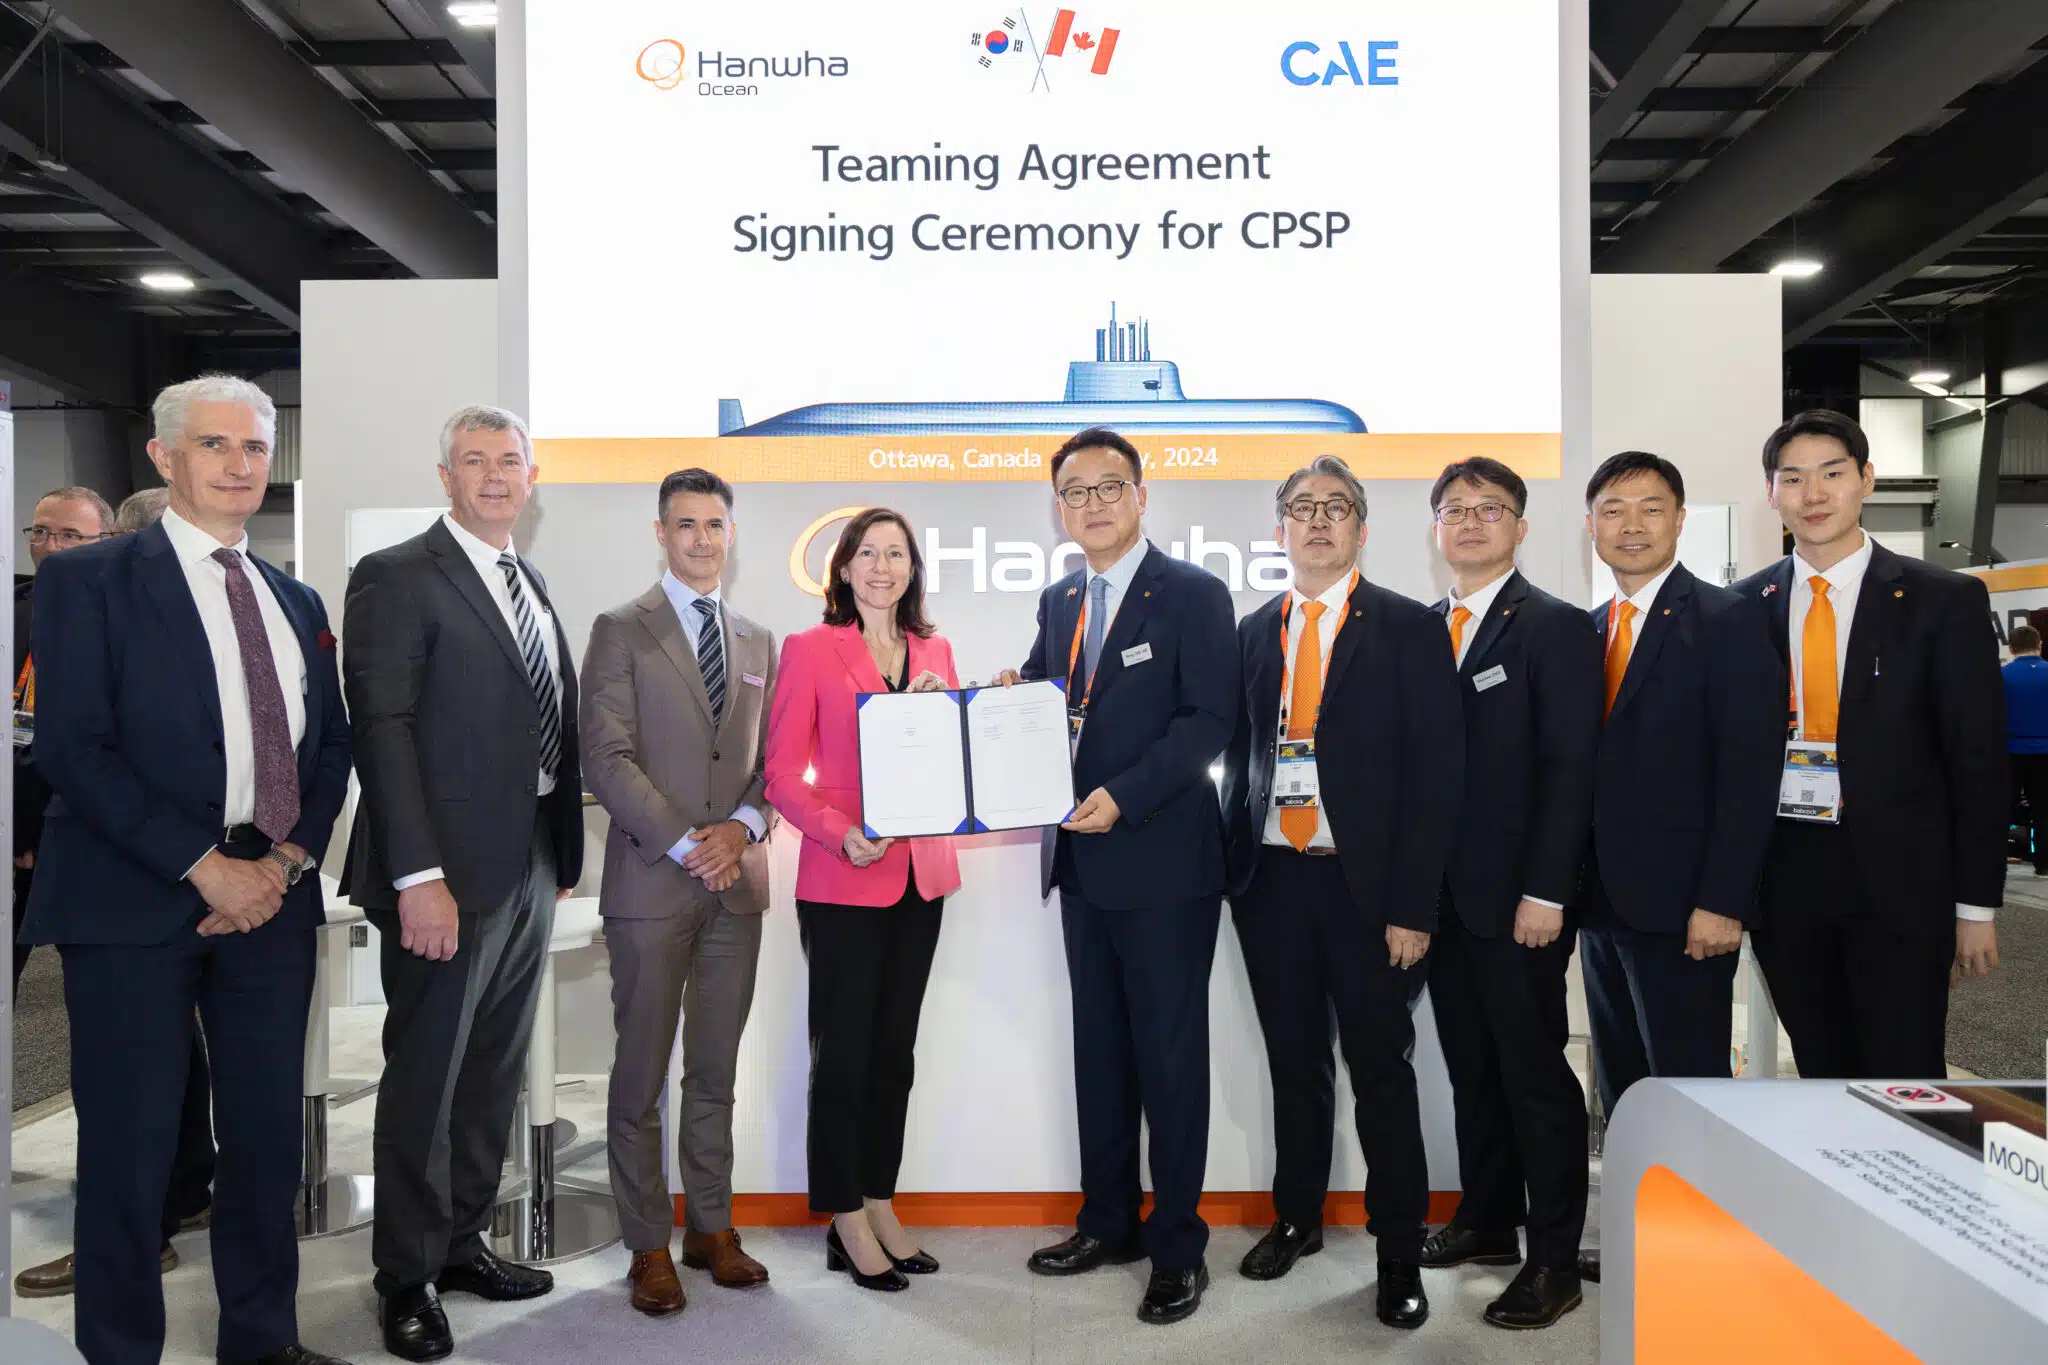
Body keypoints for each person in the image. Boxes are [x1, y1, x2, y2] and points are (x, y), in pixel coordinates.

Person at [20, 375, 352, 1365]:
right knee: (130, 1148)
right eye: (215, 444)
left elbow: (330, 745)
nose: (240, 464)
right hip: (133, 899)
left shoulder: (294, 598)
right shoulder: (89, 580)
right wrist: (205, 867)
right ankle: (122, 1349)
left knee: (265, 1141)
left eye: (255, 446)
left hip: (271, 900)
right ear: (164, 457)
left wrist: (282, 861)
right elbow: (73, 747)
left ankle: (261, 1340)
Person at [341, 405, 584, 1361]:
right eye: (473, 460)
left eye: (509, 460)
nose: (493, 475)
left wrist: (551, 853)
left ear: (532, 478)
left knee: (490, 1071)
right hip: (441, 872)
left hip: (526, 859)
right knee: (426, 1081)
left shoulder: (527, 577)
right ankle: (405, 1278)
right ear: (445, 476)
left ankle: (461, 1242)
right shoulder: (397, 574)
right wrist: (418, 875)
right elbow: (383, 730)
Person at [992, 426, 1238, 1326]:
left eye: (1108, 487)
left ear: (1141, 495)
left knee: (1170, 1062)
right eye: (1075, 491)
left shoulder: (1195, 593)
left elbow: (1209, 719)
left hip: (1164, 865)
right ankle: (1108, 1221)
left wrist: (1123, 796)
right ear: (1058, 506)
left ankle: (1177, 1247)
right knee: (1099, 1053)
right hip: (1082, 864)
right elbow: (1054, 704)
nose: (1092, 504)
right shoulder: (1061, 598)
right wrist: (1011, 698)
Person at [1217, 455, 1461, 1330]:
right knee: (1294, 1062)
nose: (1318, 520)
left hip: (1370, 892)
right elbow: (1238, 754)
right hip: (1271, 882)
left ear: (1362, 527)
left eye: (1337, 507)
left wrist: (1413, 906)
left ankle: (1398, 1251)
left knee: (1382, 1071)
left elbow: (1435, 775)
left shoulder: (1407, 626)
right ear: (1278, 528)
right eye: (1301, 507)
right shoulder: (1253, 629)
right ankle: (1298, 1216)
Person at [1738, 410, 2003, 1082]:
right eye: (1793, 478)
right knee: (1822, 1068)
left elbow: (1977, 760)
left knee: (1905, 1072)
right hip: (1785, 878)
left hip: (1902, 884)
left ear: (1867, 480)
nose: (1813, 493)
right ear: (1771, 492)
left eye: (1832, 473)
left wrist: (1976, 906)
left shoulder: (1943, 600)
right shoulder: (1744, 606)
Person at [13, 481, 217, 1302]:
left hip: (141, 865)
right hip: (100, 863)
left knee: (134, 1072)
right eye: (42, 532)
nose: (54, 549)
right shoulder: (53, 610)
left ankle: (146, 1224)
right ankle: (169, 1201)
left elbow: (81, 747)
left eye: (73, 535)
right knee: (140, 1065)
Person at [581, 469, 778, 1315]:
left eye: (715, 523)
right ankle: (647, 1245)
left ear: (731, 533)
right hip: (653, 882)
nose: (702, 538)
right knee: (640, 1077)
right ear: (660, 533)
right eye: (686, 524)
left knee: (715, 1070)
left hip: (737, 887)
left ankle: (710, 1227)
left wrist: (743, 829)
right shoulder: (620, 629)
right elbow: (605, 756)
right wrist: (690, 842)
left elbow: (774, 764)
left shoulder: (759, 640)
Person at [1417, 457, 1600, 1330]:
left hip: (1522, 902)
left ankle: (1554, 1259)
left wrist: (1547, 891)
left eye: (1490, 508)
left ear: (1521, 527)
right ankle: (1488, 1215)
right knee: (1473, 1067)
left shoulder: (1556, 627)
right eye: (1455, 509)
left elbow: (1570, 772)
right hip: (1440, 902)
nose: (1471, 521)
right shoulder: (1423, 628)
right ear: (1435, 528)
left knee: (1534, 1074)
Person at [763, 507, 961, 1293]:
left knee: (894, 1055)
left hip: (921, 876)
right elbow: (781, 775)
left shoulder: (936, 650)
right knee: (843, 1054)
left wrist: (955, 714)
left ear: (913, 568)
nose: (883, 566)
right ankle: (843, 1215)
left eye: (897, 553)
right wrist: (838, 831)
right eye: (868, 553)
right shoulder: (811, 648)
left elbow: (952, 762)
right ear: (842, 568)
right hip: (844, 876)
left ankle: (880, 1197)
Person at [1580, 452, 1780, 1112]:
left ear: (1680, 520)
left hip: (1686, 909)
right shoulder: (1589, 629)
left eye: (1651, 509)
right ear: (1591, 524)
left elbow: (1749, 772)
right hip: (1599, 906)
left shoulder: (1728, 619)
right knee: (1624, 1087)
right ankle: (1636, 1185)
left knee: (1689, 1091)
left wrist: (1723, 900)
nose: (1632, 525)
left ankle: (1694, 1190)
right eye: (1613, 510)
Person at [2005, 625, 2048, 876]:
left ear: (2011, 648)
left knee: (2003, 808)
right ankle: (2044, 864)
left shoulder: (2000, 675)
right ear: (2039, 645)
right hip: (2045, 751)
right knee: (2044, 809)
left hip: (2010, 752)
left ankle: (1994, 862)